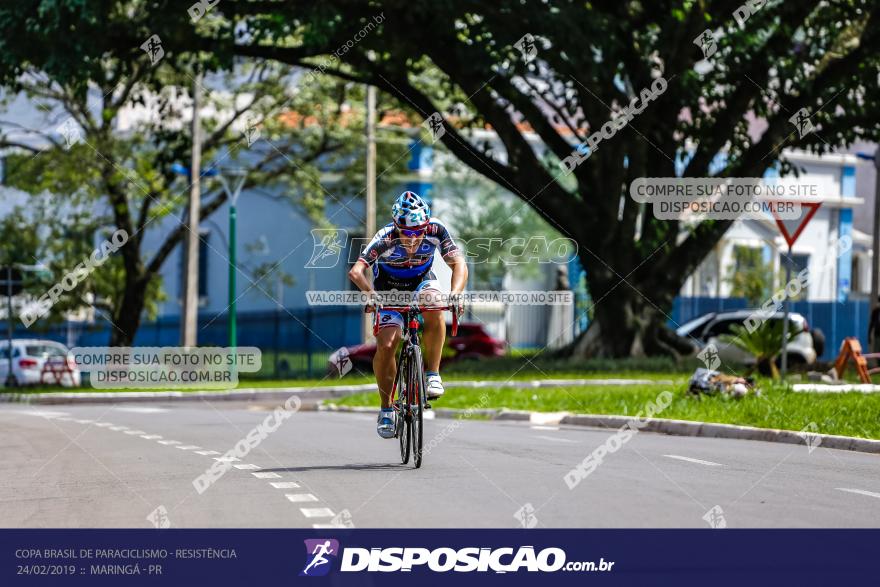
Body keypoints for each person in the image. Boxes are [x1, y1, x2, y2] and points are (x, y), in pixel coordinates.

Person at [348, 191, 468, 438]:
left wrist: (456, 293)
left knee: (435, 303)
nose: (413, 238)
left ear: (426, 225)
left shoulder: (436, 230)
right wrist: (371, 295)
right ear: (396, 227)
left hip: (422, 283)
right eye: (407, 232)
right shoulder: (385, 237)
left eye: (418, 232)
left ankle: (432, 374)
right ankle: (386, 409)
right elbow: (356, 272)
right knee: (388, 344)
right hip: (389, 291)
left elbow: (459, 264)